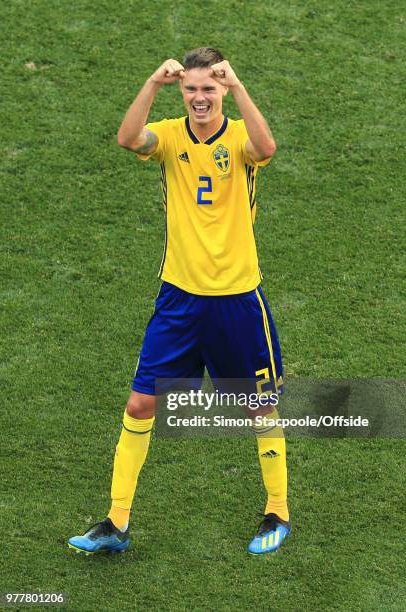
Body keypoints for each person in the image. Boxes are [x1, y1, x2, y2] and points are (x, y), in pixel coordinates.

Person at [68, 47, 290, 556]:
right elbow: (127, 138)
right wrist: (151, 82)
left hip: (237, 298)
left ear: (221, 92)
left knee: (261, 406)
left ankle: (277, 509)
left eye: (208, 89)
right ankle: (116, 522)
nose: (199, 98)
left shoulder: (238, 138)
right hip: (180, 299)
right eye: (191, 89)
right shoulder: (169, 136)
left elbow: (268, 147)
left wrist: (238, 87)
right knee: (141, 401)